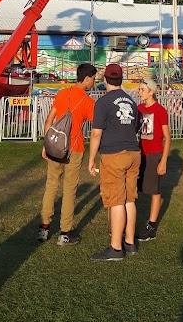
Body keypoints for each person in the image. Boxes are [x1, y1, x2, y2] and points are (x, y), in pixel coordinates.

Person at [37, 62, 97, 245]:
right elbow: (97, 129)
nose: (94, 82)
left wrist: (47, 144)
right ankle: (65, 232)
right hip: (74, 149)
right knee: (70, 190)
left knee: (51, 186)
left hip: (55, 147)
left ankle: (44, 228)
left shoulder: (62, 94)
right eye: (94, 79)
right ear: (86, 79)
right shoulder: (88, 102)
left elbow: (49, 119)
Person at [89, 64, 140, 261]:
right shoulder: (131, 101)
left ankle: (116, 248)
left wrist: (92, 159)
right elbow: (134, 127)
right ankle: (130, 242)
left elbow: (96, 133)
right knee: (129, 198)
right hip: (134, 152)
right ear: (121, 79)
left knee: (116, 200)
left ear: (104, 80)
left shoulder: (102, 103)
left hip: (113, 154)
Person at [136, 78, 171, 241]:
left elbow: (167, 137)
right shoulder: (139, 108)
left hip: (154, 154)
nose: (139, 92)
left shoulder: (160, 110)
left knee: (154, 191)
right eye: (139, 89)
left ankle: (151, 225)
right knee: (137, 188)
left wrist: (163, 160)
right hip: (140, 153)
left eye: (143, 89)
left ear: (151, 91)